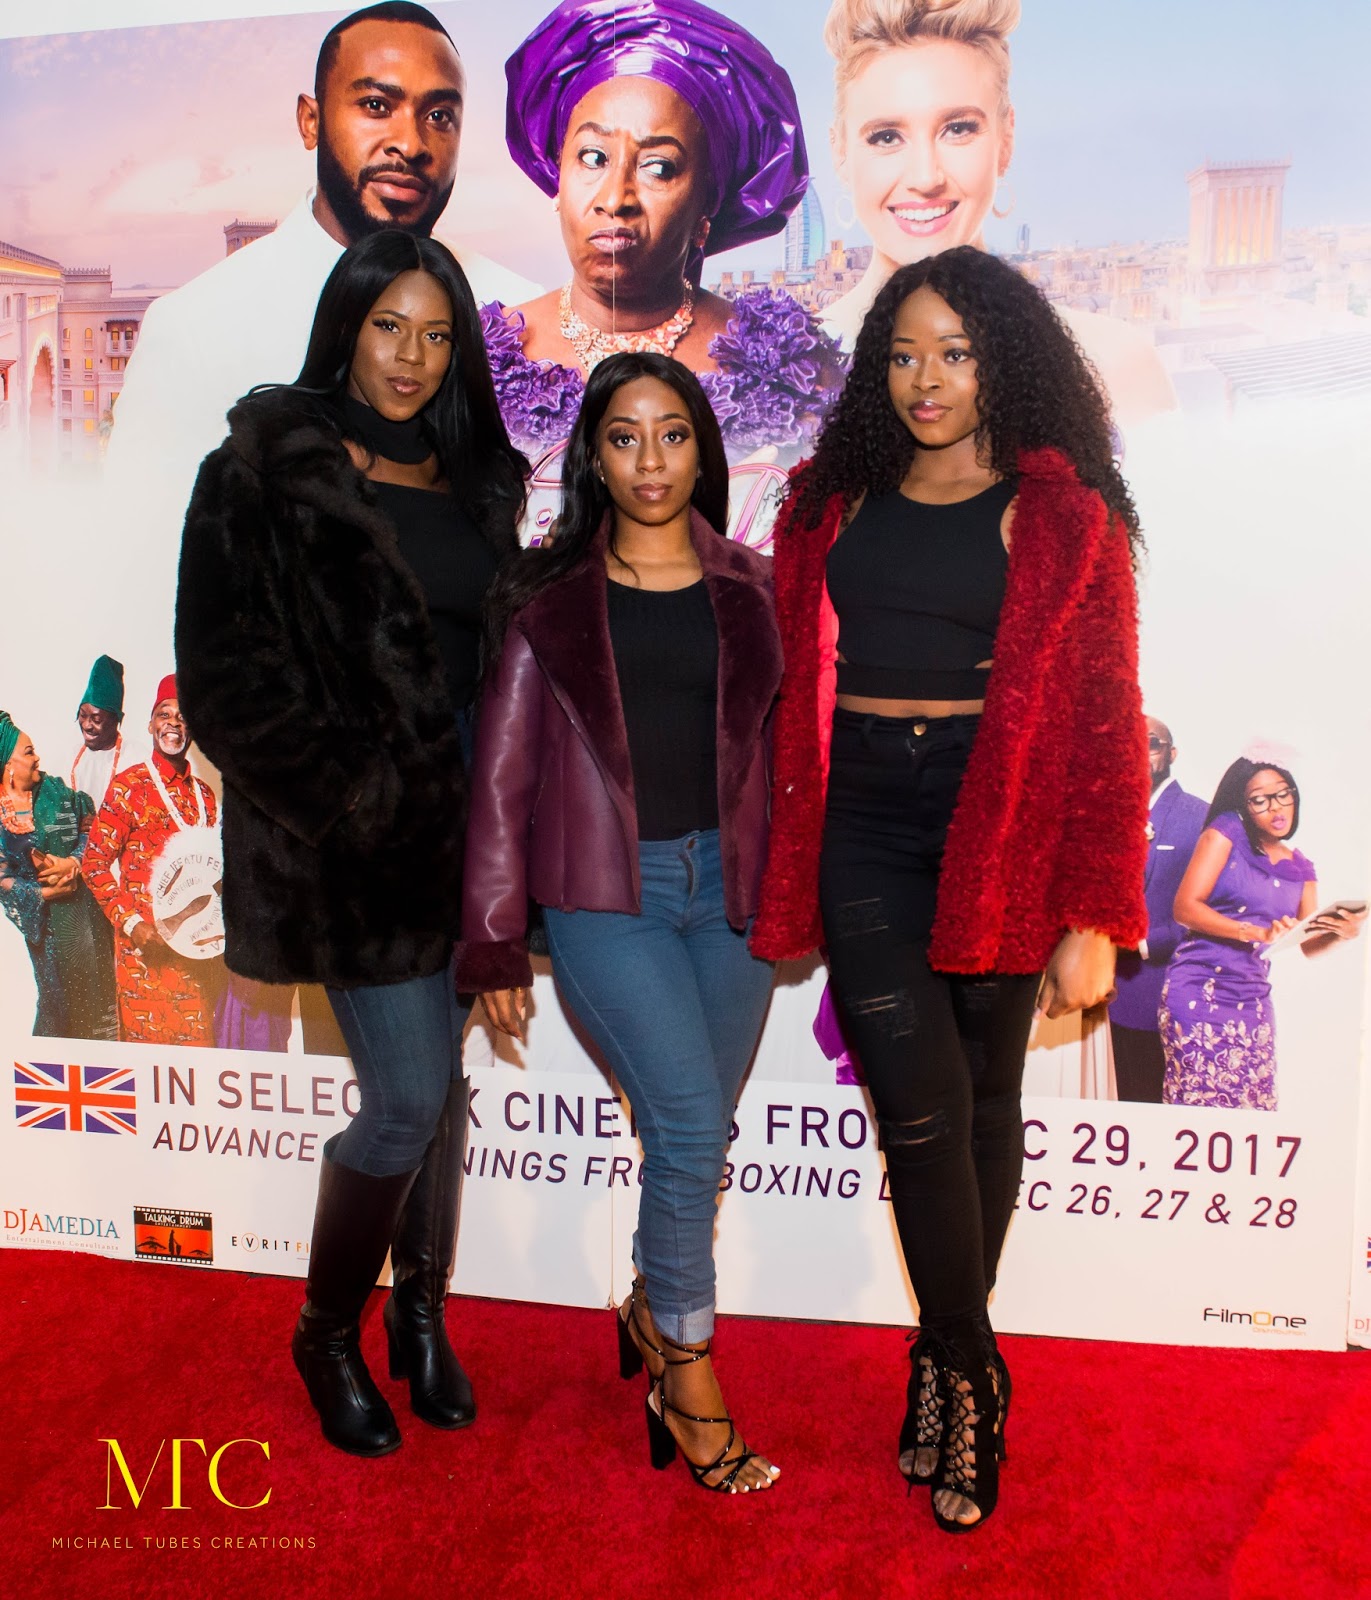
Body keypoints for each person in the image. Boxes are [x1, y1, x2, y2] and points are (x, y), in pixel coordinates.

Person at [751, 246, 1149, 1530]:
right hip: (863, 821)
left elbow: (1105, 719)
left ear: (1002, 362)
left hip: (1000, 822)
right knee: (919, 1116)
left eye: (956, 353)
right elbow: (783, 682)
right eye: (904, 353)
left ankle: (939, 1361)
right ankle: (977, 1375)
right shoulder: (829, 502)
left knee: (985, 1102)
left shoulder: (1062, 514)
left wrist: (1098, 916)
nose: (926, 378)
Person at [175, 229, 527, 1458]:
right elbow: (222, 678)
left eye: (436, 333)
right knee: (408, 1096)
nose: (411, 357)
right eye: (389, 327)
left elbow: (500, 661)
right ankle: (328, 1332)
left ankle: (420, 1315)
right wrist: (355, 800)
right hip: (354, 848)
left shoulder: (482, 476)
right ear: (346, 323)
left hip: (471, 836)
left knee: (441, 1092)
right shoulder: (264, 467)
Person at [458, 352, 783, 1493]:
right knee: (690, 1127)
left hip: (731, 898)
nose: (651, 459)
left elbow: (791, 758)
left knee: (696, 1131)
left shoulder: (757, 588)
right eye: (624, 435)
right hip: (608, 897)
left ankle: (652, 1305)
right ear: (593, 457)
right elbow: (501, 779)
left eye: (673, 433)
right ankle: (687, 1374)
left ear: (703, 448)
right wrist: (494, 938)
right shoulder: (548, 604)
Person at [106, 2, 537, 560]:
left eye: (439, 116)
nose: (410, 143)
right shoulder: (194, 329)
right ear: (310, 121)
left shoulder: (517, 312)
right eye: (377, 105)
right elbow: (143, 581)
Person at [484, 0, 842, 464]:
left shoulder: (789, 370)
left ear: (706, 205)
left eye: (658, 167)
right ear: (558, 174)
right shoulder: (483, 359)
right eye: (593, 157)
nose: (615, 198)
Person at [819, 0, 1176, 430]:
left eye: (958, 129)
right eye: (886, 137)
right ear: (841, 152)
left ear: (1006, 140)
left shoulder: (1114, 364)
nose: (925, 177)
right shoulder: (783, 374)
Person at [1161, 756, 1365, 1112]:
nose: (1276, 807)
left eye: (1283, 794)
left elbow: (1308, 944)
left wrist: (1343, 932)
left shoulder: (1301, 867)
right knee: (1196, 1107)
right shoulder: (1224, 834)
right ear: (1244, 805)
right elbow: (1185, 908)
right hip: (1199, 990)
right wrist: (1255, 931)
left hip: (1254, 1000)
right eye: (1260, 799)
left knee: (1252, 1112)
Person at [81, 677, 222, 1045]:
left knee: (196, 1064)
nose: (173, 723)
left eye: (183, 717)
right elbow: (93, 863)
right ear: (150, 725)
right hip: (144, 955)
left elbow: (214, 872)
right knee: (148, 1067)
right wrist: (132, 924)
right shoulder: (129, 786)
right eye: (164, 714)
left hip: (195, 957)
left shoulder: (205, 797)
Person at [0, 711, 118, 1041]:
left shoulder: (54, 791)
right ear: (8, 766)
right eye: (28, 752)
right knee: (56, 1005)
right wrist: (45, 894)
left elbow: (90, 825)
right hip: (46, 929)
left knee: (97, 1001)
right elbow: (2, 880)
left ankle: (100, 1068)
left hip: (85, 918)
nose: (37, 758)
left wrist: (73, 863)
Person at [1108, 715, 1208, 1101]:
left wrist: (1141, 944)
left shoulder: (1201, 817)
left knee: (1144, 1106)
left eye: (1150, 743)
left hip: (1153, 992)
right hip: (1087, 995)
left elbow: (1215, 909)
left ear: (1172, 754)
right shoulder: (1101, 814)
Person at [70, 655, 126, 807]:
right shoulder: (70, 759)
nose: (87, 725)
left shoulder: (136, 759)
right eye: (82, 715)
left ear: (115, 720)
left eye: (96, 719)